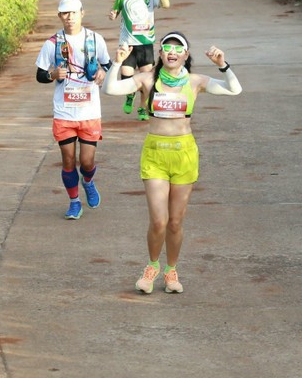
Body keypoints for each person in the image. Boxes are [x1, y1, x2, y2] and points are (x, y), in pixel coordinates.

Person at [103, 31, 242, 293]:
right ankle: (152, 267)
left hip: (184, 154)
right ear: (160, 52)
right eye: (167, 47)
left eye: (178, 49)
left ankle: (171, 271)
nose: (172, 52)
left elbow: (235, 89)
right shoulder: (147, 79)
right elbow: (110, 88)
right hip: (155, 153)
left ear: (186, 55)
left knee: (176, 222)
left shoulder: (195, 81)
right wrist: (118, 62)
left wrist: (223, 65)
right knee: (159, 221)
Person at [36, 0, 112, 220]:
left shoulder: (95, 39)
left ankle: (87, 181)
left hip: (89, 111)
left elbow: (107, 63)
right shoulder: (52, 43)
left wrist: (103, 72)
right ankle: (74, 202)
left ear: (82, 13)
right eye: (65, 13)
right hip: (64, 112)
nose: (70, 18)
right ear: (60, 16)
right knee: (68, 159)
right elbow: (40, 74)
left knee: (87, 162)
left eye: (73, 13)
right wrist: (51, 74)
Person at [108, 0, 170, 121]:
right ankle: (130, 96)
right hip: (128, 44)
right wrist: (113, 14)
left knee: (146, 80)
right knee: (126, 78)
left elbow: (166, 4)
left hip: (146, 43)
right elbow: (115, 10)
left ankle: (142, 108)